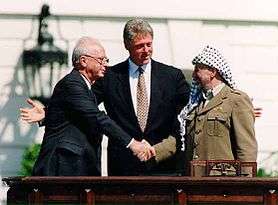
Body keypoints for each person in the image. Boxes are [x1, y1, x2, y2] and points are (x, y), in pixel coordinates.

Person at [21, 19, 190, 176]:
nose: (146, 51)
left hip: (164, 165)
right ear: (127, 45)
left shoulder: (172, 76)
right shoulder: (108, 76)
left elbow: (189, 110)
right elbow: (85, 107)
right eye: (140, 46)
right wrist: (48, 112)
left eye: (149, 44)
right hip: (123, 166)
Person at [28, 37, 148, 176]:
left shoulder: (85, 87)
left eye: (106, 60)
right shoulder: (72, 84)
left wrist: (46, 113)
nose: (105, 65)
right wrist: (132, 143)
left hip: (79, 169)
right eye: (101, 60)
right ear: (84, 61)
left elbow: (72, 113)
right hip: (62, 170)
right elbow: (96, 117)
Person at [176, 45, 258, 176]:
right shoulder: (195, 103)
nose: (193, 75)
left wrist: (245, 185)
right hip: (192, 183)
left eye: (197, 70)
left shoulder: (236, 100)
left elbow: (246, 149)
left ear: (212, 72)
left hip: (223, 185)